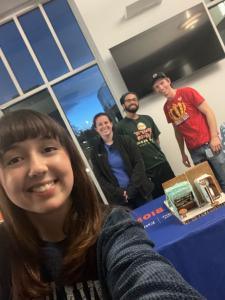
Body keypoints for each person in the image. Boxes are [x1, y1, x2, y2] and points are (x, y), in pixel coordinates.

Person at [0, 109, 204, 300]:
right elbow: (102, 177)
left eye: (48, 149)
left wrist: (131, 189)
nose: (37, 168)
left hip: (137, 191)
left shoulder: (113, 225)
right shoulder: (97, 151)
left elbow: (143, 270)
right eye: (14, 159)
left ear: (70, 158)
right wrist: (119, 193)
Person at [151, 72, 225, 193]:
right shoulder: (166, 108)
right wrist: (183, 153)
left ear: (168, 81)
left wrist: (214, 137)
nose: (160, 87)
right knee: (211, 187)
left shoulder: (187, 92)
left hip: (210, 144)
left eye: (162, 83)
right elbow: (178, 131)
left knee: (223, 179)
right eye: (156, 87)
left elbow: (208, 112)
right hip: (194, 152)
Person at [117, 92, 175, 199]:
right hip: (144, 170)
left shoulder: (147, 118)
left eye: (134, 99)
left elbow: (156, 139)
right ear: (123, 105)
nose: (132, 102)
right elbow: (124, 151)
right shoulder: (120, 127)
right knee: (159, 199)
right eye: (128, 100)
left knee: (176, 193)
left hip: (161, 163)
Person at [91, 112, 154, 209]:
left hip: (141, 191)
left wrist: (131, 189)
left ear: (111, 124)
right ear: (96, 129)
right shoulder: (95, 152)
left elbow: (139, 164)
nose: (104, 126)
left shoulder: (126, 141)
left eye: (106, 122)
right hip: (121, 199)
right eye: (100, 124)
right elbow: (100, 178)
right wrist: (120, 192)